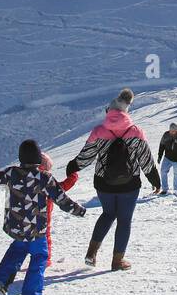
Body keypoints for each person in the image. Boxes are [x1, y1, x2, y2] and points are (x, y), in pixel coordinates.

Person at [0, 139, 87, 295]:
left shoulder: (12, 173)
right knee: (39, 257)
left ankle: (1, 280)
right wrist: (78, 210)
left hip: (16, 226)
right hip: (37, 229)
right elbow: (61, 199)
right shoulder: (44, 177)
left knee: (17, 249)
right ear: (38, 158)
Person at [66, 89, 161, 272]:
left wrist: (73, 167)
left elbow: (86, 156)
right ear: (126, 112)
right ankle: (117, 261)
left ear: (108, 111)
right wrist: (155, 180)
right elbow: (145, 160)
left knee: (108, 214)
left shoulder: (99, 131)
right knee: (124, 220)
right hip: (129, 184)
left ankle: (91, 254)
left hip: (104, 183)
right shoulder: (135, 131)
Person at [39, 152, 78, 267]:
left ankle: (18, 259)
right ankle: (45, 259)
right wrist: (73, 175)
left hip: (27, 216)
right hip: (44, 217)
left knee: (25, 240)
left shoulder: (27, 177)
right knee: (45, 238)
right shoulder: (47, 180)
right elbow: (63, 186)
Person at [156, 123, 177, 195]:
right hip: (167, 157)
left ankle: (176, 189)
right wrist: (159, 156)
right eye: (171, 131)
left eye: (174, 131)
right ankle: (165, 189)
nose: (172, 132)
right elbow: (162, 146)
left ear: (176, 130)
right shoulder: (166, 135)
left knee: (176, 173)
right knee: (163, 171)